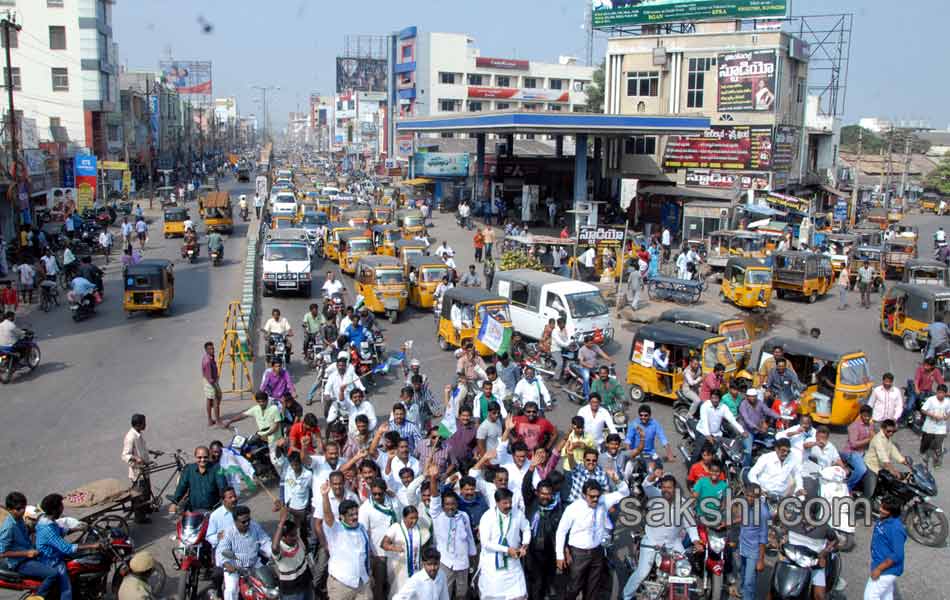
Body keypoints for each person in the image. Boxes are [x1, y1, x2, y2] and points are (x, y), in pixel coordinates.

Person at [0, 491, 59, 598]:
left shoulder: (19, 519)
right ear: (9, 510)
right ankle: (37, 597)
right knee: (53, 574)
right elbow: (2, 553)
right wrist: (26, 553)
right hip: (20, 563)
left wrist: (33, 530)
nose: (22, 511)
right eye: (18, 509)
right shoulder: (8, 527)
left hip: (31, 554)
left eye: (23, 507)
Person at [477, 488, 531, 600]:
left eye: (510, 502)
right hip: (492, 565)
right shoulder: (487, 517)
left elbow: (526, 528)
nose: (508, 505)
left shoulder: (517, 513)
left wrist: (525, 544)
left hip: (512, 563)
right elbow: (485, 543)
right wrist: (506, 550)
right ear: (497, 502)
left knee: (518, 594)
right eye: (505, 503)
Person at [218, 506, 273, 600]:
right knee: (231, 591)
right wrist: (227, 564)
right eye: (243, 522)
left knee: (270, 586)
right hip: (235, 568)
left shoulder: (255, 526)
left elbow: (265, 541)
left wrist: (273, 552)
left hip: (254, 564)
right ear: (235, 521)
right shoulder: (227, 532)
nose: (247, 523)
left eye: (249, 520)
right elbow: (222, 551)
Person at [864, 496, 906, 600]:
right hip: (879, 564)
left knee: (870, 596)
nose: (880, 509)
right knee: (885, 596)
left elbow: (897, 555)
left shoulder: (896, 529)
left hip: (886, 570)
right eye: (881, 506)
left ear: (892, 512)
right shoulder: (883, 520)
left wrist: (879, 569)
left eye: (884, 509)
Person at [735, 484, 769, 600]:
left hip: (754, 552)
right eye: (748, 496)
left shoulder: (763, 513)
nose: (749, 499)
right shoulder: (746, 505)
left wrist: (761, 560)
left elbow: (763, 538)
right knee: (743, 577)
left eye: (753, 497)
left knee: (749, 582)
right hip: (743, 547)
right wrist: (727, 523)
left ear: (758, 497)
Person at [169, 446, 227, 512]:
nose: (202, 460)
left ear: (209, 457)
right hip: (193, 510)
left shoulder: (217, 469)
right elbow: (182, 487)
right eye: (199, 457)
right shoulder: (189, 469)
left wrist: (226, 501)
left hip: (212, 510)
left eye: (205, 457)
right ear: (195, 457)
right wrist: (174, 503)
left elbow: (223, 486)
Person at [121, 413, 153, 523]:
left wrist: (153, 452)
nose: (146, 424)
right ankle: (140, 518)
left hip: (144, 469)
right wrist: (136, 459)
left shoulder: (138, 434)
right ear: (138, 424)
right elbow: (125, 455)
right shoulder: (130, 437)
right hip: (137, 472)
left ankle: (147, 509)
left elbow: (142, 448)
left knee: (147, 491)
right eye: (144, 423)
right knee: (140, 496)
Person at [920, 384, 950, 468]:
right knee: (927, 443)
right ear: (936, 392)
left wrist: (946, 417)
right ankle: (925, 457)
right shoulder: (931, 400)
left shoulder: (947, 401)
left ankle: (937, 461)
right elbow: (923, 410)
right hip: (929, 426)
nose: (940, 395)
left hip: (941, 427)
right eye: (939, 392)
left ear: (945, 393)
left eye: (942, 393)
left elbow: (948, 412)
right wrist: (932, 415)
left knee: (938, 444)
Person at [577, 336, 611, 401]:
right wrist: (588, 365)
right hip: (585, 368)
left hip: (595, 366)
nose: (591, 345)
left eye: (592, 343)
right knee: (586, 378)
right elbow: (581, 362)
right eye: (589, 343)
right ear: (585, 343)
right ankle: (587, 395)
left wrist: (609, 359)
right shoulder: (581, 350)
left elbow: (602, 353)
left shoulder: (595, 346)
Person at [201, 341, 222, 426]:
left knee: (209, 400)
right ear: (206, 350)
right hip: (211, 382)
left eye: (213, 348)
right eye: (210, 349)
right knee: (216, 400)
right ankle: (218, 421)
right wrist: (216, 387)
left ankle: (210, 420)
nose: (212, 350)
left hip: (208, 381)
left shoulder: (209, 357)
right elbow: (210, 378)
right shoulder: (208, 361)